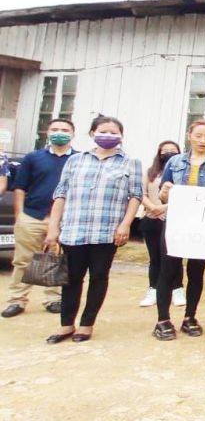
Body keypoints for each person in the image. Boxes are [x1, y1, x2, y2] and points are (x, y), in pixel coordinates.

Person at [44, 116, 142, 343]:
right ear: (92, 134)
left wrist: (126, 224)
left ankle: (87, 324)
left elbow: (135, 195)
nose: (108, 136)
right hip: (74, 229)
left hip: (106, 231)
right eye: (103, 131)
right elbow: (61, 194)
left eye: (113, 133)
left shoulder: (129, 162)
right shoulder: (76, 161)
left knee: (98, 277)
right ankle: (66, 324)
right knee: (71, 279)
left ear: (121, 137)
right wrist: (53, 227)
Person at [154, 119, 205, 341]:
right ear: (190, 135)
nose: (202, 141)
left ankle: (190, 317)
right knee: (168, 271)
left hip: (203, 226)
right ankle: (163, 320)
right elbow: (162, 194)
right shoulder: (174, 161)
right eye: (198, 136)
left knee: (196, 273)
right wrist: (166, 192)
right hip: (175, 222)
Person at [3, 118, 77, 318]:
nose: (59, 132)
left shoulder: (79, 159)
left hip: (64, 219)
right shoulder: (33, 158)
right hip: (33, 216)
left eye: (64, 129)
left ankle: (52, 299)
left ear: (73, 134)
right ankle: (17, 300)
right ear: (47, 132)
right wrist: (20, 215)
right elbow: (19, 187)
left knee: (57, 259)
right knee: (23, 261)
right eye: (55, 129)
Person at [139, 141, 181, 308]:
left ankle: (177, 290)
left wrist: (163, 207)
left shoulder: (180, 172)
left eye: (173, 150)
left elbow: (185, 196)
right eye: (165, 151)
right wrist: (153, 207)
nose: (169, 153)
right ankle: (153, 290)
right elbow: (141, 194)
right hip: (151, 218)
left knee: (174, 257)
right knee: (155, 258)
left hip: (173, 217)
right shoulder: (150, 173)